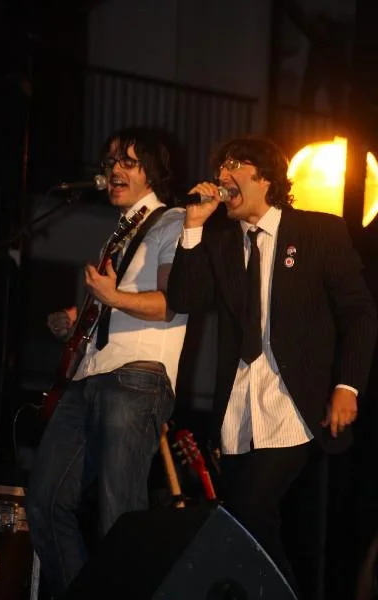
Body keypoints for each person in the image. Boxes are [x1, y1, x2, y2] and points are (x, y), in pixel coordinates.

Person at [166, 135, 377, 598]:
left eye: (234, 165)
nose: (222, 176)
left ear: (265, 178)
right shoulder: (220, 241)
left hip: (292, 402)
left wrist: (348, 386)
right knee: (244, 525)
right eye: (219, 167)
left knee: (251, 509)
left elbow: (360, 313)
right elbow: (184, 298)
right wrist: (193, 227)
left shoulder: (319, 231)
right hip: (237, 404)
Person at [25, 126, 188, 598]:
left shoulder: (173, 223)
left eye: (128, 162)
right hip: (90, 377)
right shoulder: (120, 232)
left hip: (137, 377)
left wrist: (111, 297)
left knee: (119, 514)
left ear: (152, 172)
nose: (114, 170)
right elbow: (115, 304)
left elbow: (170, 303)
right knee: (43, 502)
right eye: (110, 162)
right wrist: (77, 320)